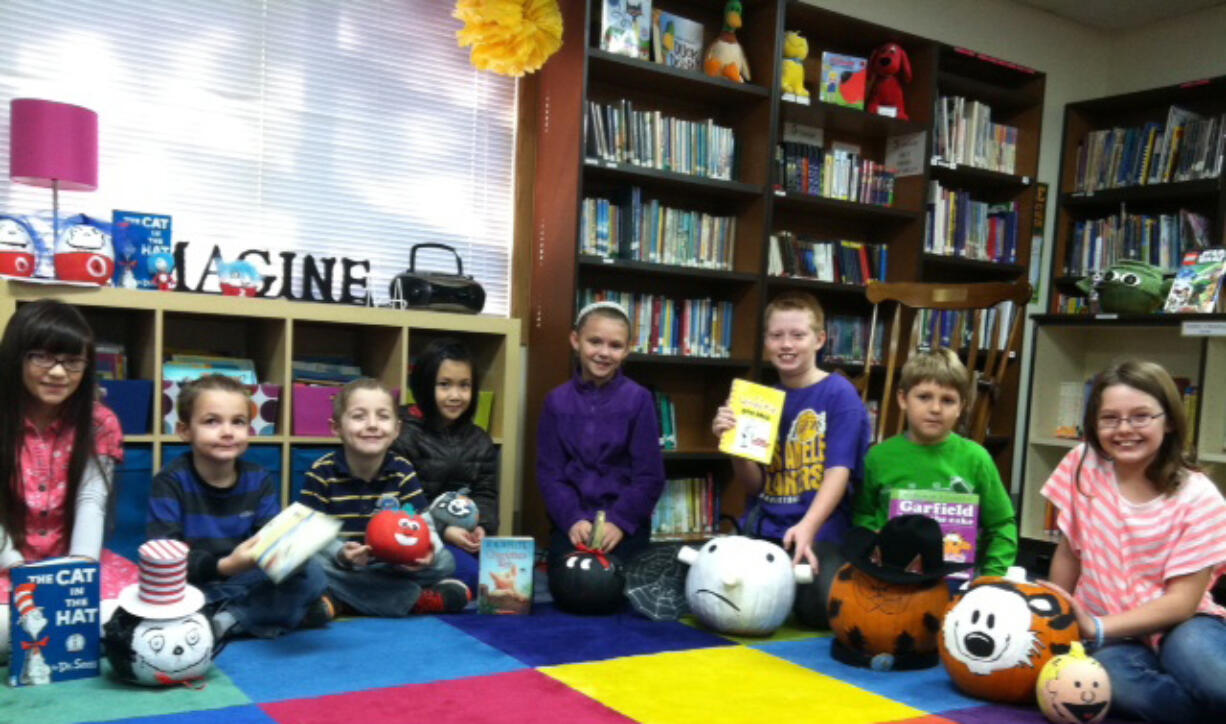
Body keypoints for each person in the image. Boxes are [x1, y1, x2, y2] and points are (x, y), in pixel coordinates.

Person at [1041, 359, 1226, 723]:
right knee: (1116, 690)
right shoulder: (1083, 464)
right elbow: (1068, 551)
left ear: (1169, 420)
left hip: (1180, 623)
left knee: (1217, 682)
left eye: (1141, 416)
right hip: (1105, 629)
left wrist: (1095, 627)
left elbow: (1182, 603)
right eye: (1110, 418)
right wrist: (1051, 622)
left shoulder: (1201, 497)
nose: (1124, 429)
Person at [711, 291, 871, 606]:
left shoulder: (840, 394)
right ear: (766, 342)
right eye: (777, 336)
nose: (786, 344)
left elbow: (839, 473)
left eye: (798, 335)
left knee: (818, 604)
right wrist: (733, 446)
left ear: (819, 339)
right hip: (766, 525)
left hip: (821, 528)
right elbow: (755, 485)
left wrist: (808, 527)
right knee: (716, 588)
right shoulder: (762, 399)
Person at [147, 374, 330, 639]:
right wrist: (224, 566)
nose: (228, 432)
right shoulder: (170, 481)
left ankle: (229, 619)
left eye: (238, 422)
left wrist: (290, 552)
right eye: (212, 421)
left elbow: (271, 542)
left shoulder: (259, 478)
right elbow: (164, 557)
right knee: (161, 602)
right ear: (185, 430)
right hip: (195, 585)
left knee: (313, 573)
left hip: (246, 582)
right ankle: (267, 615)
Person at [301, 377, 469, 615]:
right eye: (359, 416)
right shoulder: (322, 472)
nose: (372, 425)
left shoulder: (402, 470)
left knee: (444, 560)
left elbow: (422, 522)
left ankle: (341, 601)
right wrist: (341, 553)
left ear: (396, 429)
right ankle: (411, 599)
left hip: (392, 565)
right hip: (343, 565)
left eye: (383, 416)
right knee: (307, 564)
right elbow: (308, 532)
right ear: (336, 427)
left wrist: (426, 550)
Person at [0, 299, 127, 610]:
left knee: (127, 619)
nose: (58, 372)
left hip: (71, 563)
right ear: (16, 357)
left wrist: (79, 572)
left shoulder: (100, 422)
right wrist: (15, 567)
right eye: (42, 357)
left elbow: (91, 499)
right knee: (11, 627)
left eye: (72, 361)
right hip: (6, 565)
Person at [852, 348, 1016, 577]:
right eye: (924, 397)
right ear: (903, 399)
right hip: (889, 575)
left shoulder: (977, 459)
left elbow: (1001, 525)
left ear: (962, 406)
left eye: (948, 400)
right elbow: (862, 515)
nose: (935, 409)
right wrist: (872, 538)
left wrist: (992, 577)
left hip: (955, 578)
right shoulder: (878, 458)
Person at [537, 301, 665, 565]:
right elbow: (550, 474)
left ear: (627, 350)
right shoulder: (556, 401)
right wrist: (572, 518)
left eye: (615, 346)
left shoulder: (639, 400)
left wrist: (619, 522)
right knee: (573, 587)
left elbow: (649, 475)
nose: (604, 353)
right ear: (576, 340)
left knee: (615, 589)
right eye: (595, 341)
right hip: (574, 521)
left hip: (625, 523)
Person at [391, 338, 497, 591]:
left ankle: (435, 590)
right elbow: (400, 503)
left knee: (498, 573)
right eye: (444, 385)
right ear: (425, 385)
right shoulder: (402, 433)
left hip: (462, 537)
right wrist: (444, 530)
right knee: (465, 573)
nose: (455, 396)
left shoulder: (479, 439)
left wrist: (481, 527)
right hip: (414, 533)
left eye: (464, 386)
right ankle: (422, 594)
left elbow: (486, 494)